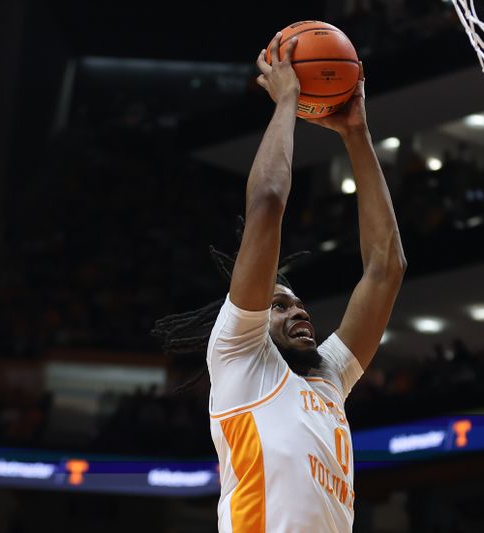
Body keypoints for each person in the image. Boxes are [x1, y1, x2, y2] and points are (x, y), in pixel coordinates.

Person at [157, 32, 406, 532]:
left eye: (297, 302)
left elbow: (386, 268)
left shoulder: (328, 378)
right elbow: (267, 202)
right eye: (279, 305)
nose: (299, 310)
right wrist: (289, 99)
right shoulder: (239, 356)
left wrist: (356, 133)